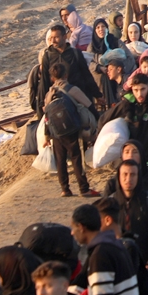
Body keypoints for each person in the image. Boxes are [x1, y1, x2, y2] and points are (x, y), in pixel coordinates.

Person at [70, 202, 139, 295]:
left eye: (73, 228)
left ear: (81, 228)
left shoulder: (100, 255)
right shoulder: (114, 244)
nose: (72, 232)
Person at [43, 64, 98, 198]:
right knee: (76, 158)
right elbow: (89, 105)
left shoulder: (49, 94)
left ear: (52, 78)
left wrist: (46, 135)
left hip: (56, 132)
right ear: (66, 75)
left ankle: (65, 189)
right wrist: (98, 120)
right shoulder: (72, 89)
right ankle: (84, 189)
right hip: (72, 129)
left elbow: (47, 116)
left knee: (60, 160)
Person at [104, 160, 148, 274]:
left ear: (138, 176)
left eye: (133, 174)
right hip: (118, 265)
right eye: (125, 174)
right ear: (118, 176)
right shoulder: (110, 203)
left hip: (145, 264)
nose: (128, 179)